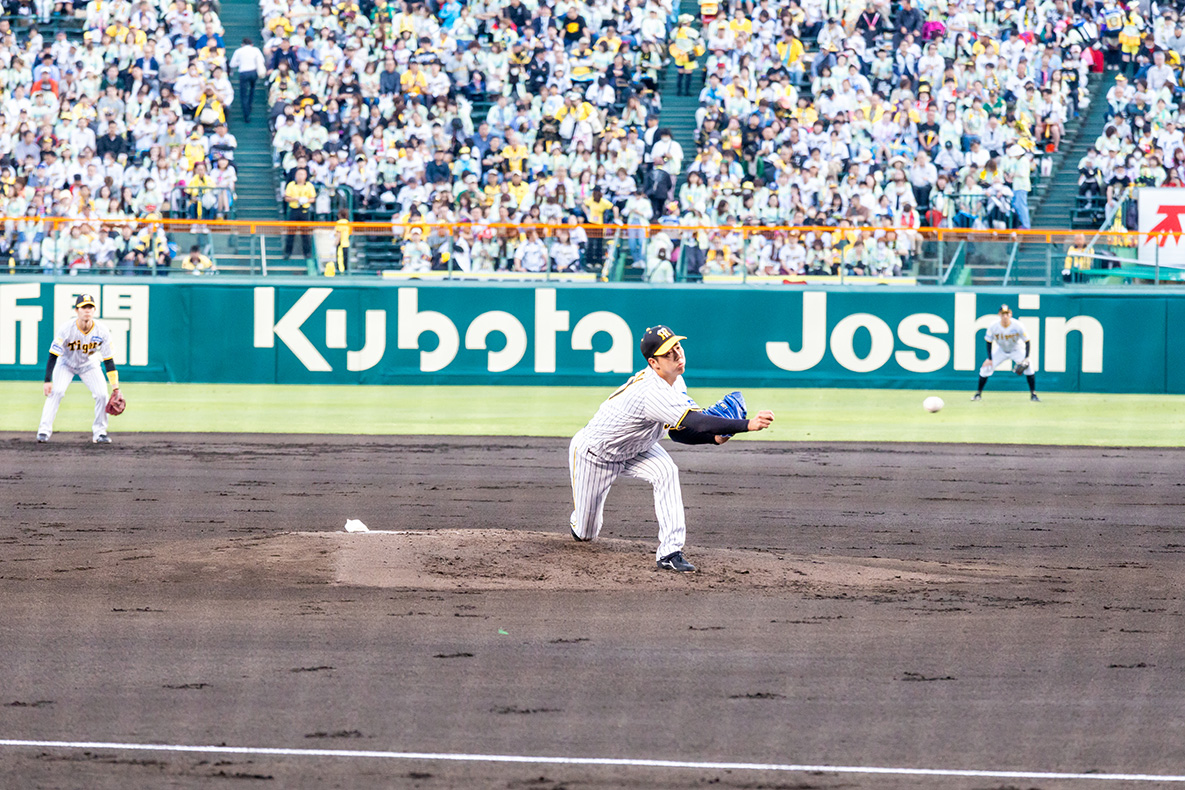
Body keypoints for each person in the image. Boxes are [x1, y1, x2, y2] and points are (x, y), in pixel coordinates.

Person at [568, 325, 774, 572]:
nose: (677, 354)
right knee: (586, 533)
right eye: (668, 353)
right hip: (596, 453)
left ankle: (670, 552)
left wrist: (713, 439)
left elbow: (678, 432)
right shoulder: (651, 392)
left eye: (677, 346)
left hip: (639, 447)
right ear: (654, 363)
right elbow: (699, 422)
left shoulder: (676, 382)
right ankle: (579, 521)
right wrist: (747, 425)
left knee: (666, 471)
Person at [37, 294, 121, 444]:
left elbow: (108, 361)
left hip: (89, 364)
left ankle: (100, 433)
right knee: (57, 392)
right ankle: (44, 431)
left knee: (102, 395)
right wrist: (47, 380)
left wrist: (116, 388)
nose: (87, 310)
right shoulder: (66, 329)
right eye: (83, 307)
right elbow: (53, 355)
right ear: (77, 310)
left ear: (94, 310)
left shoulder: (102, 330)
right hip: (66, 363)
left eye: (90, 307)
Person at [972, 304, 1040, 402]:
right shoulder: (993, 326)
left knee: (1029, 367)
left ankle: (1033, 394)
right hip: (1001, 350)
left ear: (1010, 314)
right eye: (1003, 314)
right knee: (985, 368)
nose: (1005, 316)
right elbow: (988, 342)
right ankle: (978, 394)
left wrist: (1026, 358)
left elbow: (1027, 341)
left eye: (1007, 313)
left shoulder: (1018, 325)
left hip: (1017, 349)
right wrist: (990, 359)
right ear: (999, 314)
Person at [229, 38, 266, 123]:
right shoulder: (255, 50)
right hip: (253, 72)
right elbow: (262, 60)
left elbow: (232, 64)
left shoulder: (239, 51)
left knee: (243, 94)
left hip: (243, 73)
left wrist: (240, 63)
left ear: (242, 44)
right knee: (252, 90)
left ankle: (246, 114)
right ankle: (250, 105)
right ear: (251, 44)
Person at [284, 168, 316, 259]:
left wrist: (306, 200)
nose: (300, 176)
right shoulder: (291, 185)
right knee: (291, 232)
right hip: (294, 209)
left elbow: (313, 198)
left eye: (302, 174)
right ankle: (287, 252)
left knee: (305, 233)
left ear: (306, 176)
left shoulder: (309, 186)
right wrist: (297, 199)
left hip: (304, 211)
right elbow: (287, 197)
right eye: (299, 174)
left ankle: (307, 253)